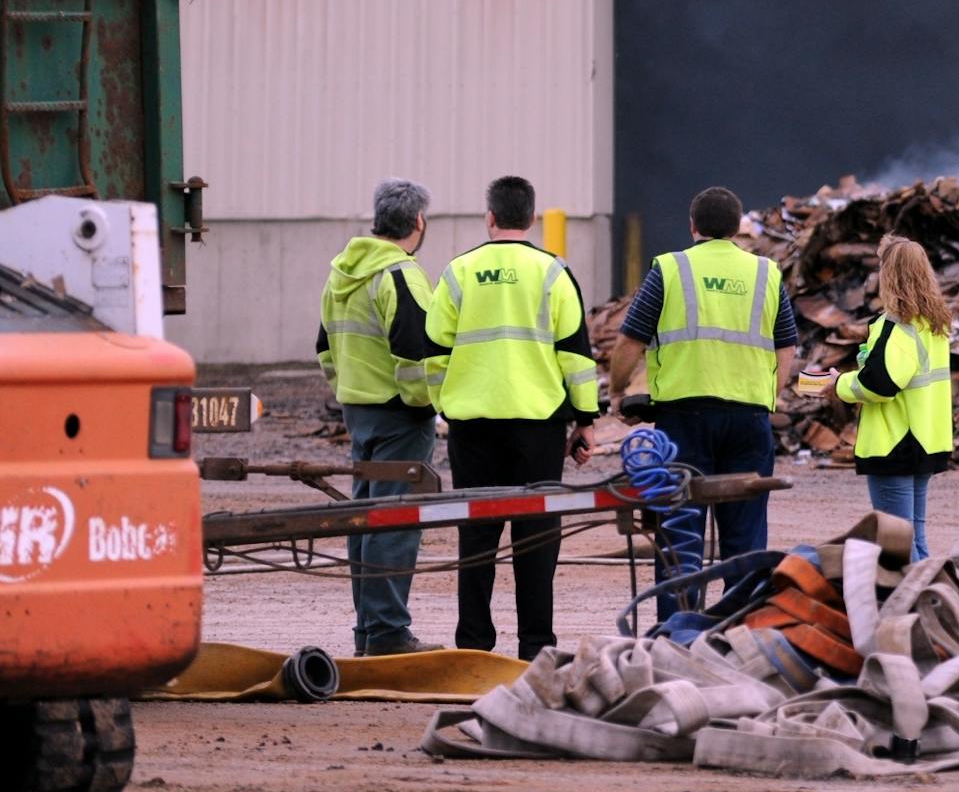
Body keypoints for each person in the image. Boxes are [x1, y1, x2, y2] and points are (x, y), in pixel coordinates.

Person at [423, 175, 601, 660]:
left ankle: (474, 646)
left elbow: (434, 354)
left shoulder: (458, 272)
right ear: (532, 219)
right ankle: (536, 648)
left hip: (472, 426)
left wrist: (445, 404)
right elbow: (577, 358)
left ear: (490, 218)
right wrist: (585, 421)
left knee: (477, 536)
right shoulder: (553, 273)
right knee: (537, 538)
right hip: (538, 428)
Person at [608, 186, 796, 620]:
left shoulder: (670, 269)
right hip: (748, 421)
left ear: (692, 226)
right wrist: (769, 397)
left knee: (679, 534)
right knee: (745, 538)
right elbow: (786, 346)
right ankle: (740, 632)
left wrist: (618, 391)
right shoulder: (766, 273)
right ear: (737, 228)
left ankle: (678, 633)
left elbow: (630, 339)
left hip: (683, 422)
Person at [316, 177, 442, 657]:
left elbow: (325, 347)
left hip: (359, 412)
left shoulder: (341, 273)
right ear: (418, 222)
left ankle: (369, 632)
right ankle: (388, 634)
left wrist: (349, 393)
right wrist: (423, 405)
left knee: (364, 520)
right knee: (394, 522)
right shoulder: (401, 275)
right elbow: (414, 355)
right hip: (398, 417)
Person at [832, 235, 952, 562]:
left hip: (894, 443)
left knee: (897, 544)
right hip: (926, 441)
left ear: (890, 274)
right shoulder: (934, 323)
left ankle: (915, 606)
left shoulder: (896, 326)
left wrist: (836, 385)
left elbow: (878, 386)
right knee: (915, 539)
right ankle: (933, 604)